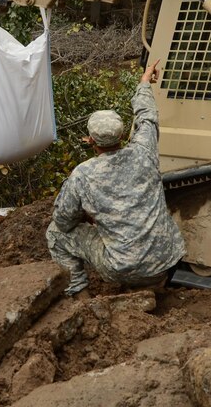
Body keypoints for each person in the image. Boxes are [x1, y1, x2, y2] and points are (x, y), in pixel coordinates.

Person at [45, 59, 186, 296]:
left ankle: (79, 294)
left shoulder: (83, 175)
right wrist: (144, 82)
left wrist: (89, 216)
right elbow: (148, 116)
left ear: (90, 140)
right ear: (122, 136)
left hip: (122, 268)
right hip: (167, 260)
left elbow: (63, 222)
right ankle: (155, 284)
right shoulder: (144, 151)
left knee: (55, 234)